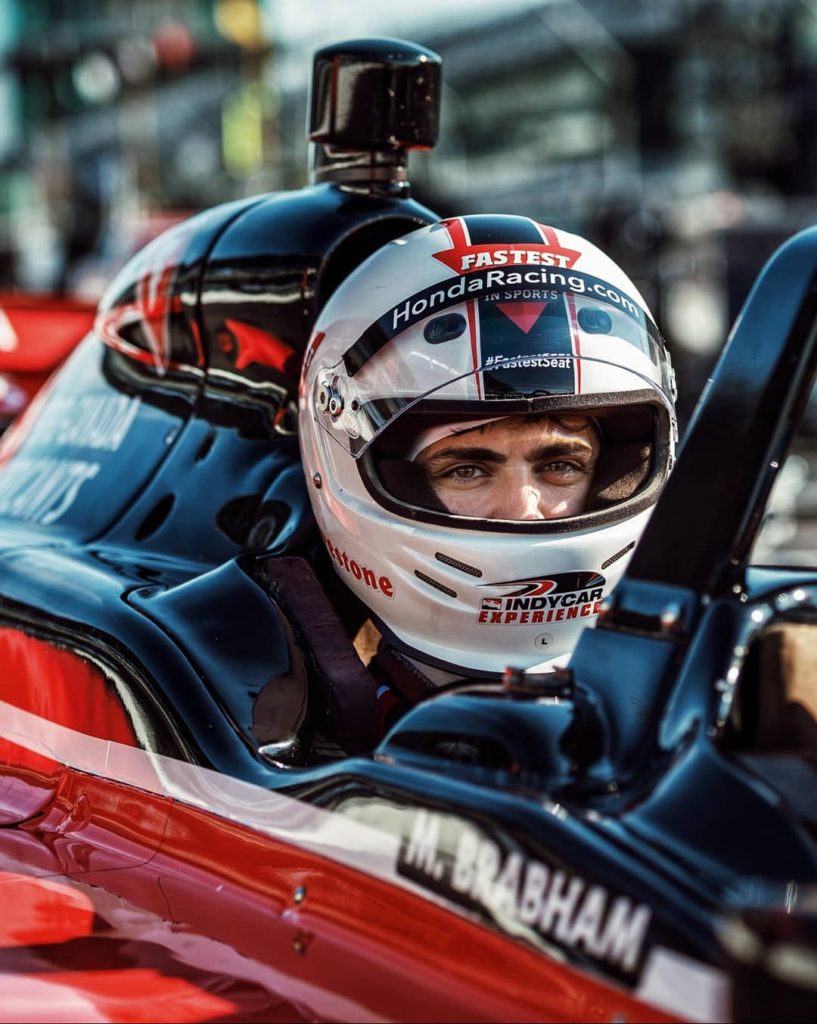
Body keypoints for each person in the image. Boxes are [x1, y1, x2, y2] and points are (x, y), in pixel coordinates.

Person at [296, 214, 677, 734]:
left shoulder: (709, 694)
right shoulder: (265, 723)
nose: (524, 507)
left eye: (562, 465)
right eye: (468, 469)